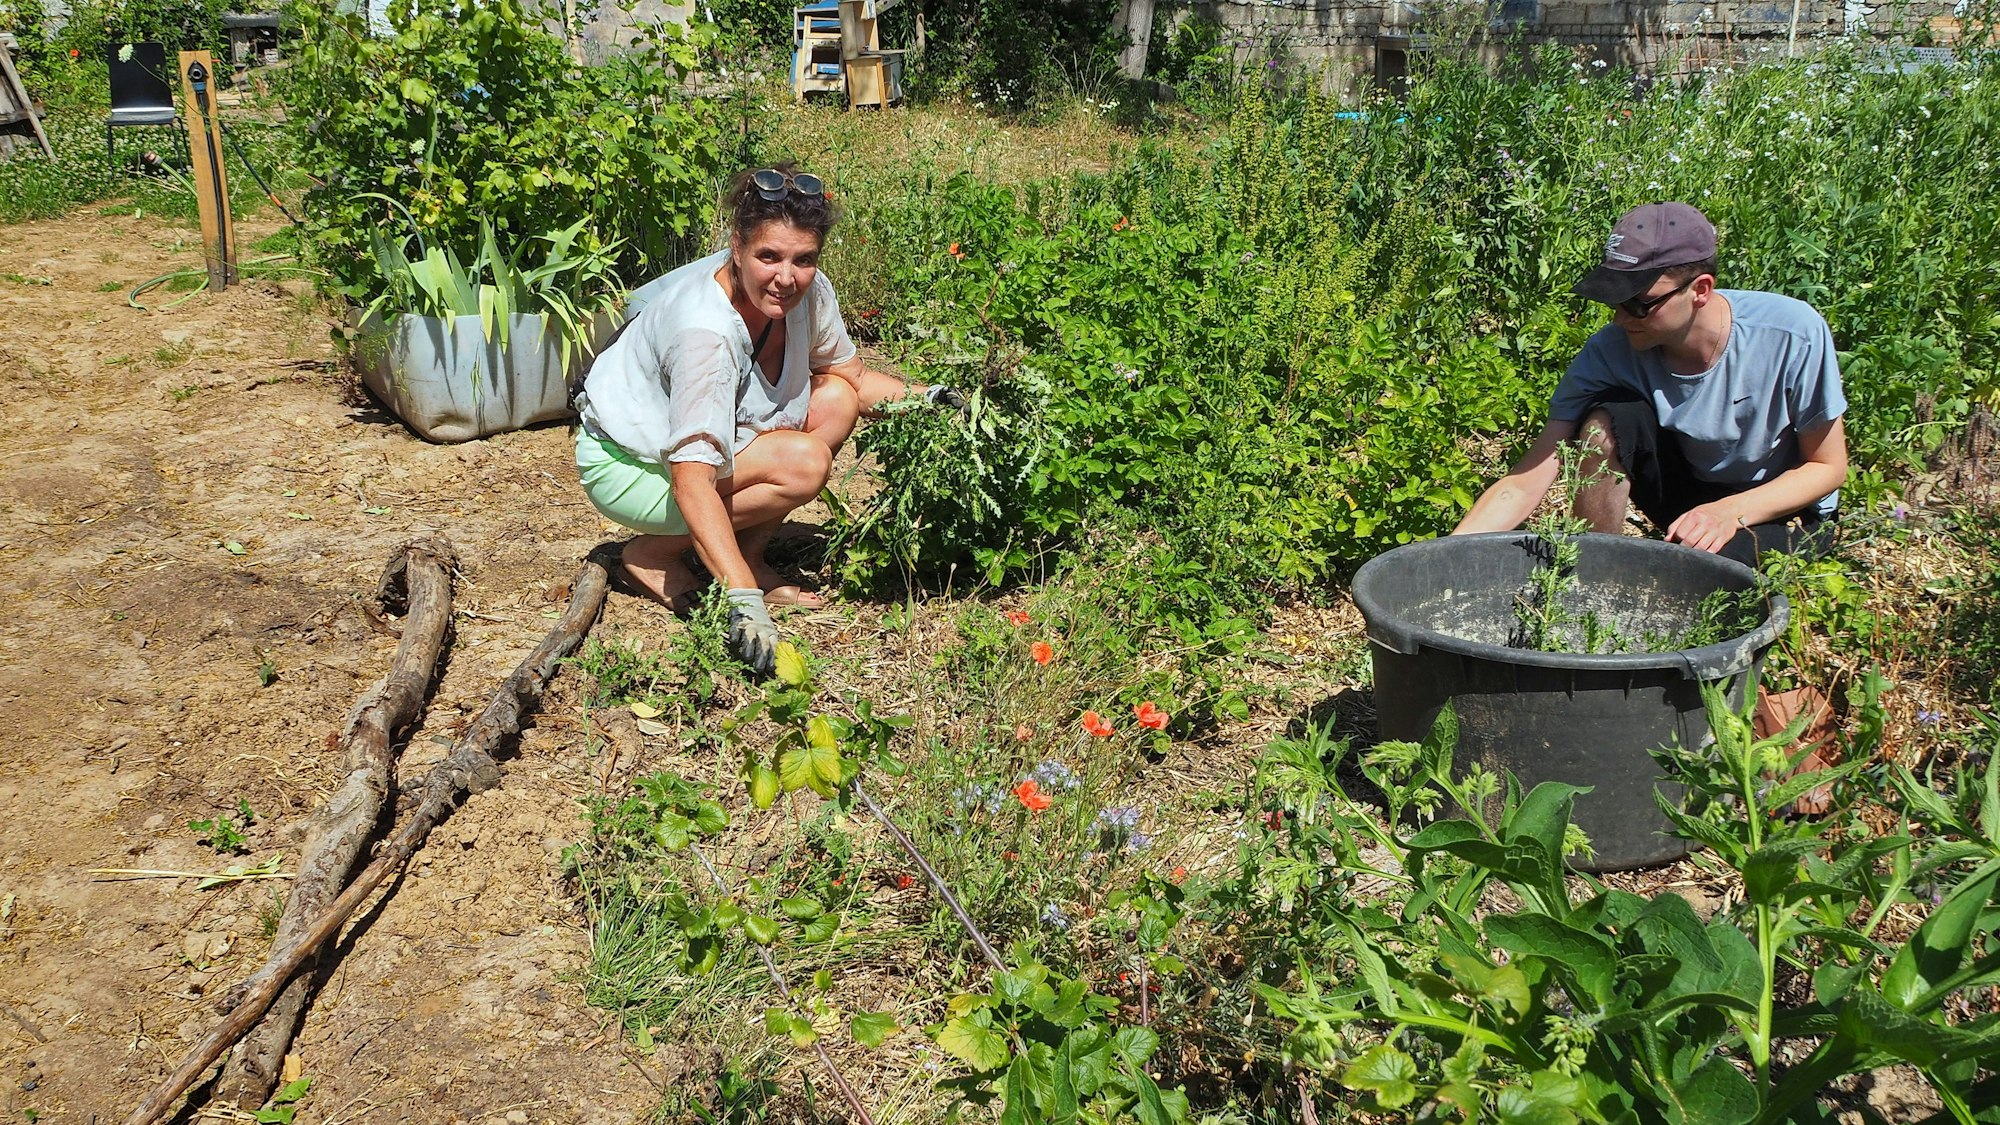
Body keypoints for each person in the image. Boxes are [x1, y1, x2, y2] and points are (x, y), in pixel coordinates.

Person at [574, 164, 965, 675]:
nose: (787, 277)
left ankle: (750, 557)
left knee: (837, 399)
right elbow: (691, 479)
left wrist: (933, 399)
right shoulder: (705, 334)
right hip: (627, 463)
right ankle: (654, 555)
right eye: (769, 256)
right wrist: (742, 601)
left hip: (700, 454)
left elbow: (852, 376)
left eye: (804, 259)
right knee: (801, 462)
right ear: (737, 247)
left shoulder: (810, 291)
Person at [1453, 201, 1849, 568]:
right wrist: (1444, 557)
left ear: (1700, 290)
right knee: (1605, 424)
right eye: (1614, 301)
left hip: (1783, 506)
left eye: (1639, 303)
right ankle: (1590, 580)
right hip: (1691, 490)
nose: (1621, 319)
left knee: (1697, 575)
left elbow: (1826, 467)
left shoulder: (1790, 333)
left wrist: (1729, 513)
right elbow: (1529, 479)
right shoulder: (1611, 350)